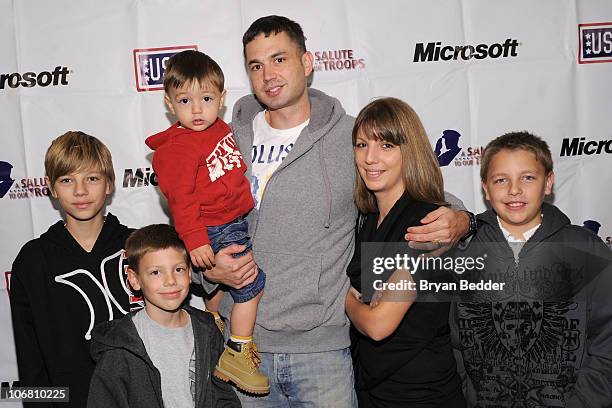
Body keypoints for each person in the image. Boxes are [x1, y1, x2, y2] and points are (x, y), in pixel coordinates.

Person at [200, 15, 472, 406]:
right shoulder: (224, 139)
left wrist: (460, 219)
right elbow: (195, 218)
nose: (268, 75)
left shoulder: (350, 136)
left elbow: (417, 184)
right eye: (255, 65)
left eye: (279, 60)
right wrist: (208, 273)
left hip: (322, 351)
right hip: (244, 347)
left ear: (307, 63)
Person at [450, 132, 612, 407]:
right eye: (501, 180)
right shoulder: (464, 252)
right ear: (486, 189)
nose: (514, 190)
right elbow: (454, 340)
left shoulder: (585, 249)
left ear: (548, 182)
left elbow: (607, 344)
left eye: (528, 177)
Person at [145, 50, 268, 394]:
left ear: (222, 99)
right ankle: (238, 351)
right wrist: (196, 239)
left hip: (231, 220)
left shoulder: (220, 128)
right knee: (250, 283)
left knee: (220, 286)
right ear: (170, 103)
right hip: (215, 227)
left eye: (207, 98)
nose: (197, 109)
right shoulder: (177, 149)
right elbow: (181, 201)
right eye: (185, 100)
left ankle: (213, 324)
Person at [345, 97, 466, 407]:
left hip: (422, 394)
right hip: (372, 387)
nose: (370, 158)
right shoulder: (368, 218)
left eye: (386, 146)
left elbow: (378, 324)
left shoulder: (426, 223)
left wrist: (343, 294)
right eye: (361, 145)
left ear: (408, 151)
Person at [9, 131, 142, 408]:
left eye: (91, 178)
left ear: (109, 183)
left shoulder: (142, 248)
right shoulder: (33, 260)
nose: (80, 191)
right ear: (52, 188)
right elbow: (30, 359)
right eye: (67, 180)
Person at [87, 224, 241, 407]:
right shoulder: (120, 345)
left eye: (178, 269)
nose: (170, 281)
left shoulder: (207, 329)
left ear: (190, 273)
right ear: (134, 279)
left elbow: (221, 394)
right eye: (155, 272)